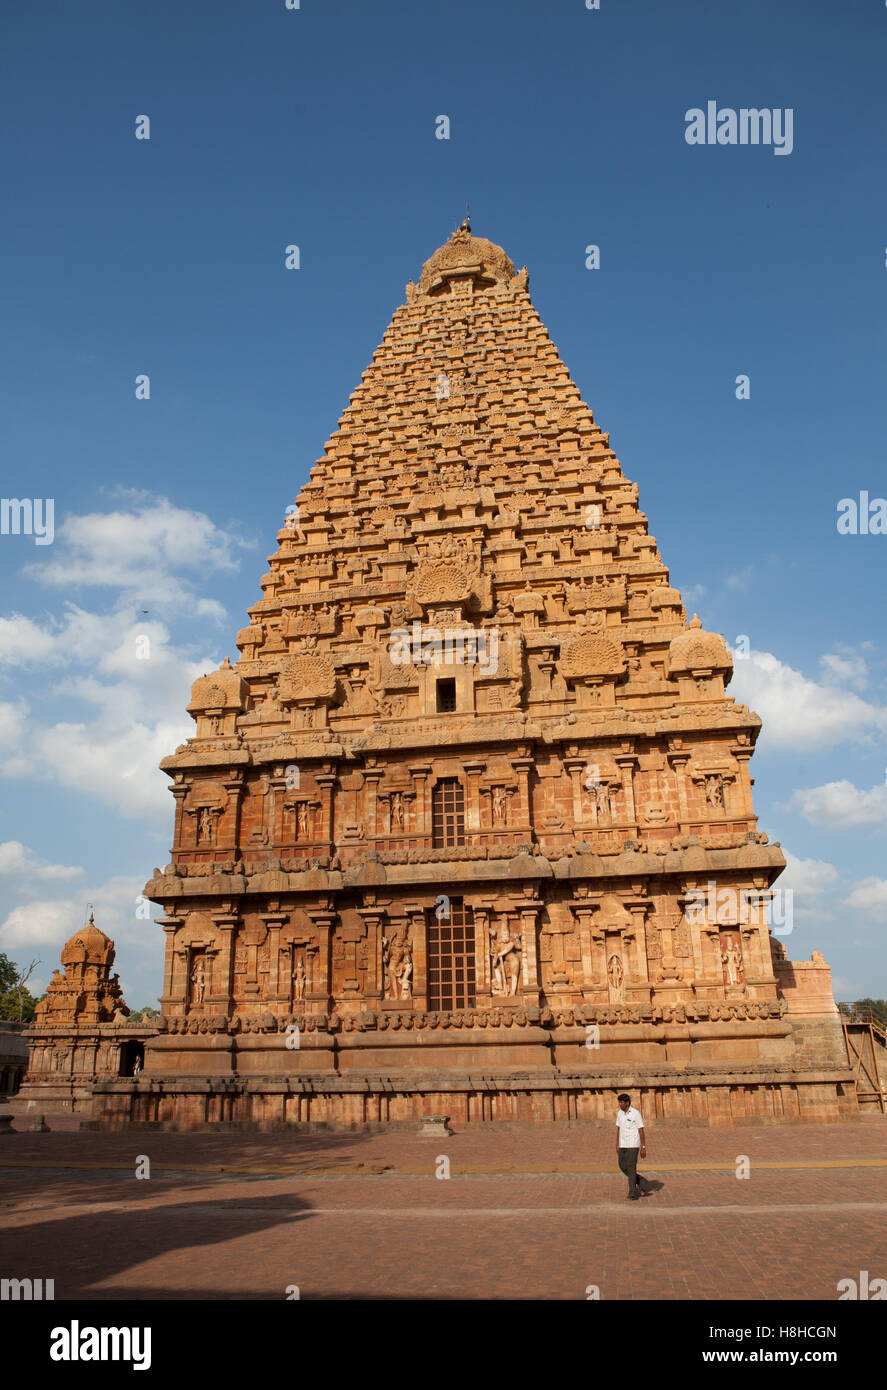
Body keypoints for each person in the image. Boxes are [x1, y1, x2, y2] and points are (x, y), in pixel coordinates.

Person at [616, 1092, 650, 1200]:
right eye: (619, 1102)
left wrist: (643, 1147)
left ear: (627, 1103)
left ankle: (632, 1193)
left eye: (621, 1102)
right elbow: (618, 1128)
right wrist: (617, 1144)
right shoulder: (620, 1113)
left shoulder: (636, 1113)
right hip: (623, 1144)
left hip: (633, 1145)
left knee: (631, 1168)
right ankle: (642, 1182)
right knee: (622, 1166)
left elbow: (641, 1130)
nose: (620, 1105)